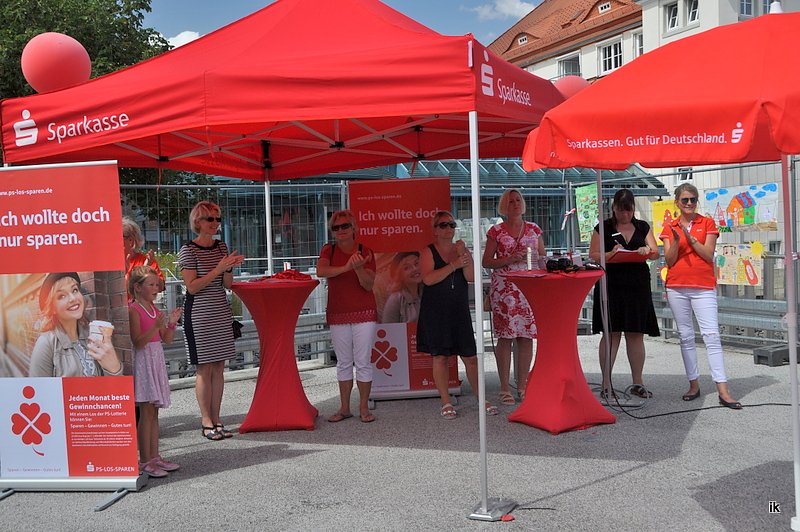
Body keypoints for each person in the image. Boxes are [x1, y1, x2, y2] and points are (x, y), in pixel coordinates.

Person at [659, 183, 742, 409]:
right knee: (685, 337)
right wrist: (677, 240)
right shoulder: (670, 227)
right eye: (685, 200)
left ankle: (723, 390)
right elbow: (669, 260)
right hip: (677, 286)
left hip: (703, 287)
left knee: (711, 335)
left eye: (693, 199)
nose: (689, 203)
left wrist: (691, 238)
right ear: (677, 202)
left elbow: (708, 255)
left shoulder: (707, 223)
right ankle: (693, 385)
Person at [417, 211, 498, 419]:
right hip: (436, 311)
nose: (448, 229)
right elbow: (428, 279)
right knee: (440, 357)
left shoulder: (460, 249)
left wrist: (465, 256)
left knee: (470, 357)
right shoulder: (428, 251)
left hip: (458, 310)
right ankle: (445, 401)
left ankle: (481, 398)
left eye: (451, 225)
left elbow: (471, 277)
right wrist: (453, 265)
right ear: (435, 230)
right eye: (443, 225)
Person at [178, 201, 245, 441]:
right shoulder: (188, 250)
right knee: (204, 368)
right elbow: (192, 287)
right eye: (210, 219)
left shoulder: (221, 247)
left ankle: (217, 419)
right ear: (197, 222)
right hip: (199, 314)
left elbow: (227, 285)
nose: (216, 223)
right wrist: (219, 269)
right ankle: (206, 420)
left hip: (219, 311)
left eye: (218, 219)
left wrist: (229, 268)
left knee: (219, 367)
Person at [589, 188, 660, 400]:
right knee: (610, 333)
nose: (625, 215)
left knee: (636, 334)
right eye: (621, 211)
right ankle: (605, 383)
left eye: (628, 211)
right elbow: (592, 254)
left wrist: (646, 251)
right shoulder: (603, 227)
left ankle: (638, 381)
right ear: (613, 208)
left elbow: (655, 251)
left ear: (633, 209)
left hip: (637, 284)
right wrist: (610, 254)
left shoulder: (642, 226)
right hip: (611, 283)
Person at [481, 188, 545, 405]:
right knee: (505, 337)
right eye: (510, 202)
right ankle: (504, 387)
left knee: (526, 337)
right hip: (504, 289)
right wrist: (508, 259)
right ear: (504, 206)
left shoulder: (534, 229)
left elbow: (542, 257)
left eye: (518, 200)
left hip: (528, 288)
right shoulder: (496, 231)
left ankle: (523, 385)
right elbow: (486, 261)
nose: (515, 204)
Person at [316, 210, 378, 423]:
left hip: (364, 313)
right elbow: (321, 271)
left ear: (354, 228)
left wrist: (358, 268)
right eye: (336, 227)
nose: (341, 230)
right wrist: (347, 267)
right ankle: (344, 408)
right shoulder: (328, 250)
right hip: (338, 312)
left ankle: (363, 408)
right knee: (343, 362)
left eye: (345, 226)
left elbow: (368, 284)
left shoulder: (365, 250)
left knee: (362, 361)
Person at [128, 266, 183, 478]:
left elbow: (167, 339)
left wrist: (171, 324)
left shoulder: (155, 310)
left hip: (156, 359)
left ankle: (154, 455)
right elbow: (138, 342)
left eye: (156, 285)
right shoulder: (134, 310)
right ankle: (145, 460)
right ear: (137, 287)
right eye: (150, 285)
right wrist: (155, 327)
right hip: (143, 361)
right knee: (146, 411)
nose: (156, 288)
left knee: (154, 411)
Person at [29, 272, 123, 377]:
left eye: (75, 290)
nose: (73, 298)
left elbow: (112, 390)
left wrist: (114, 369)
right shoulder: (46, 344)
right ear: (53, 308)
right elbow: (39, 391)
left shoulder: (92, 336)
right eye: (61, 296)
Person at [123, 216, 164, 288]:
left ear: (131, 240)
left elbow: (160, 286)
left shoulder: (145, 260)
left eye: (117, 237)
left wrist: (146, 269)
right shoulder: (111, 262)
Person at [382, 251, 423, 323]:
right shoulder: (395, 299)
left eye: (416, 263)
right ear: (400, 275)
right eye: (407, 268)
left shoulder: (430, 292)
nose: (414, 269)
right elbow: (389, 330)